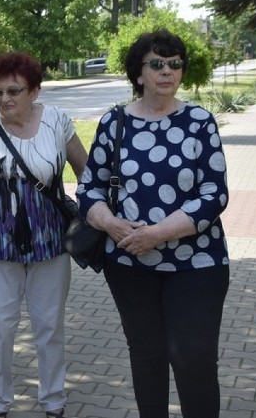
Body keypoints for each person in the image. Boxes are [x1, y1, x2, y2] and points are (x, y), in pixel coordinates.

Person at [78, 29, 230, 418]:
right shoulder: (114, 123)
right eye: (157, 64)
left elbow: (214, 195)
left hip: (197, 263)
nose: (168, 71)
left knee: (191, 356)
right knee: (146, 355)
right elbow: (89, 190)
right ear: (139, 73)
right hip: (129, 263)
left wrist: (157, 234)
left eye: (175, 64)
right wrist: (113, 226)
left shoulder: (199, 121)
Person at [0, 51, 88, 418]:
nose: (4, 99)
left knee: (49, 328)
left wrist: (90, 218)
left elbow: (88, 176)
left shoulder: (57, 122)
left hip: (50, 245)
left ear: (34, 90)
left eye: (13, 91)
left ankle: (53, 402)